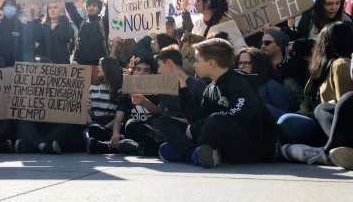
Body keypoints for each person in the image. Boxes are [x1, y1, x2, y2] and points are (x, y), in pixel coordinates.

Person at [158, 39, 277, 168]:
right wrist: (183, 89)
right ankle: (193, 154)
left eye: (197, 61)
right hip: (221, 144)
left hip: (250, 148)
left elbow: (241, 112)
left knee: (216, 119)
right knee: (163, 121)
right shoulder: (211, 88)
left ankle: (188, 152)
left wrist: (197, 127)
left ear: (211, 63)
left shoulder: (238, 82)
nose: (194, 66)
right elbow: (197, 120)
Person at [279, 22, 353, 167]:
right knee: (275, 116)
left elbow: (344, 106)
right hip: (314, 119)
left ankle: (337, 150)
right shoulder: (321, 67)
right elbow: (307, 104)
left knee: (288, 121)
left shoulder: (341, 65)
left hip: (331, 125)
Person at [13, 56, 84, 154]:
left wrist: (82, 105)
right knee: (19, 117)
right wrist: (13, 101)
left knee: (75, 121)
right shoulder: (23, 87)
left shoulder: (62, 86)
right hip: (36, 127)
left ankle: (35, 145)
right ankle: (44, 146)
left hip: (54, 128)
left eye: (39, 67)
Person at [65, 0, 118, 82]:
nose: (91, 8)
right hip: (80, 67)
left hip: (98, 68)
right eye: (89, 5)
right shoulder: (81, 23)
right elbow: (70, 7)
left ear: (99, 8)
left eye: (94, 5)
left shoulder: (104, 22)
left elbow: (111, 1)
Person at [264, 0, 353, 40]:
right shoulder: (308, 17)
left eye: (337, 3)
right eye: (329, 4)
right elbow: (298, 36)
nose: (334, 7)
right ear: (321, 3)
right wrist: (276, 29)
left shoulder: (347, 22)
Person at [115, 56, 161, 156]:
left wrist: (144, 102)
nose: (141, 73)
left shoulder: (158, 91)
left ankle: (144, 147)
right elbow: (119, 117)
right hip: (133, 133)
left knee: (131, 125)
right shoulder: (127, 90)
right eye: (138, 69)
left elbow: (161, 111)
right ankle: (141, 148)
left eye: (146, 70)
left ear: (152, 73)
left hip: (151, 131)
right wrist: (115, 133)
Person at [0, 0, 41, 67]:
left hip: (17, 70)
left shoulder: (22, 27)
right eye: (6, 5)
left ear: (17, 9)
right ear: (2, 8)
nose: (9, 7)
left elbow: (31, 40)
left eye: (12, 5)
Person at [232, 47, 289, 117]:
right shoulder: (237, 86)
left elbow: (285, 117)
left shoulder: (272, 86)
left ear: (257, 65)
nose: (241, 67)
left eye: (246, 63)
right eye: (239, 63)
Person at [86, 57, 123, 154]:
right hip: (93, 124)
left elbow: (119, 115)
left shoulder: (120, 90)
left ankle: (98, 144)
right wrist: (90, 123)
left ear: (109, 67)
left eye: (100, 65)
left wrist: (105, 127)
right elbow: (87, 108)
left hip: (109, 126)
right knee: (87, 132)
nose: (97, 67)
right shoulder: (92, 87)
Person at [282, 38, 316, 112]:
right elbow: (292, 109)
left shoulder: (324, 72)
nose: (321, 54)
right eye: (317, 52)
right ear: (307, 57)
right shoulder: (289, 83)